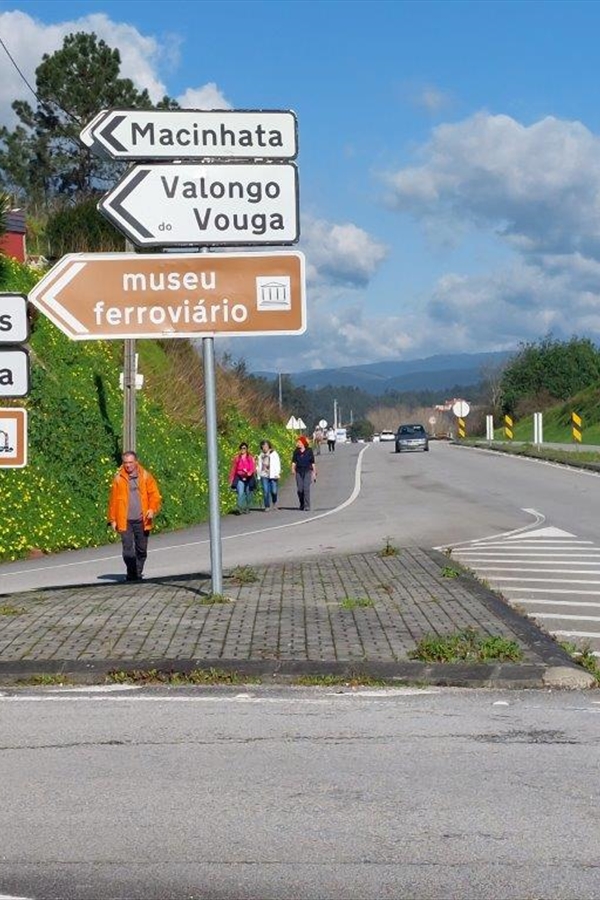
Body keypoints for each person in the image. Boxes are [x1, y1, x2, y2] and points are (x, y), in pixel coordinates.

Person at [107, 450, 162, 582]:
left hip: (142, 520)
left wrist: (152, 509)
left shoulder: (145, 476)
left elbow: (154, 495)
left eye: (131, 462)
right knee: (127, 550)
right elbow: (113, 501)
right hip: (124, 520)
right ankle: (132, 574)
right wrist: (112, 519)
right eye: (125, 463)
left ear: (136, 462)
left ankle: (137, 571)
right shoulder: (118, 479)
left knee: (141, 550)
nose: (128, 465)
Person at [229, 442, 257, 514]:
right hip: (239, 477)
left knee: (248, 493)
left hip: (248, 477)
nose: (242, 450)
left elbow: (253, 467)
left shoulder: (250, 457)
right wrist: (231, 479)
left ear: (246, 449)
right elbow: (233, 469)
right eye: (241, 448)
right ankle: (240, 508)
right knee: (240, 493)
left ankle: (247, 507)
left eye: (244, 448)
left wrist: (250, 472)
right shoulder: (237, 458)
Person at [291, 435, 316, 511]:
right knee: (300, 490)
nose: (298, 444)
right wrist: (293, 469)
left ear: (303, 443)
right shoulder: (296, 451)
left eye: (299, 442)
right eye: (297, 442)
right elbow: (294, 461)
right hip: (299, 471)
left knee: (306, 488)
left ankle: (307, 505)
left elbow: (312, 462)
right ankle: (302, 503)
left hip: (307, 471)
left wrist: (314, 472)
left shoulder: (309, 451)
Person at [256, 439, 281, 511]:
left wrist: (277, 473)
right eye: (263, 446)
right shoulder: (261, 455)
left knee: (274, 491)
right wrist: (258, 476)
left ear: (269, 446)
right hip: (264, 475)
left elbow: (278, 464)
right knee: (265, 491)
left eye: (266, 446)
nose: (264, 448)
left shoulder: (274, 453)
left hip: (273, 475)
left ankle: (274, 502)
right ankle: (267, 506)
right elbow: (259, 466)